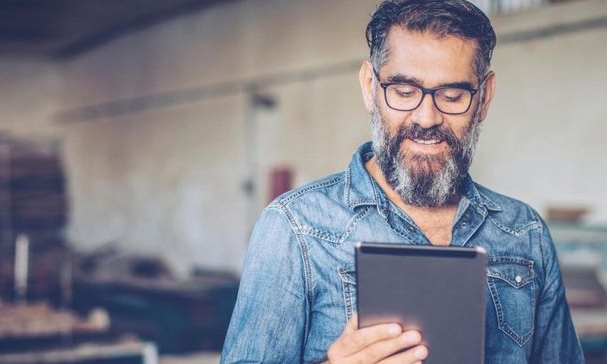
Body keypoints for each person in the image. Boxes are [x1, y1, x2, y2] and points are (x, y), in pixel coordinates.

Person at [221, 0, 583, 362]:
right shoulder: (295, 228)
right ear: (369, 86)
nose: (426, 117)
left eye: (452, 95)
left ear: (484, 97)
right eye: (404, 91)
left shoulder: (525, 233)